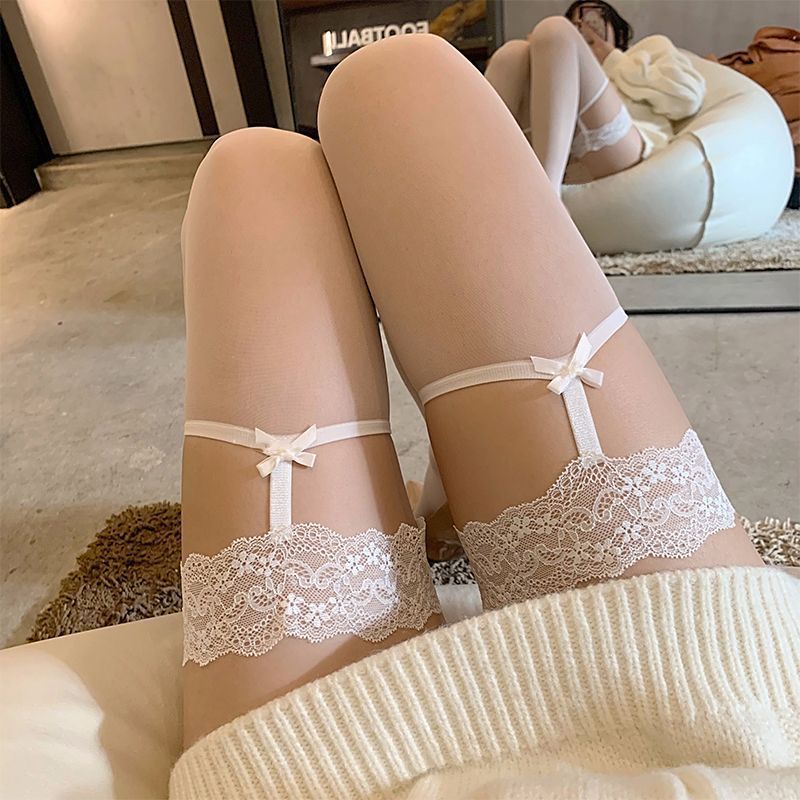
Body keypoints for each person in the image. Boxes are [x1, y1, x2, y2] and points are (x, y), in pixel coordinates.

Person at [170, 33, 799, 800]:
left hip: (319, 766)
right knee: (383, 93)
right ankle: (453, 484)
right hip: (712, 702)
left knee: (259, 171)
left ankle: (447, 485)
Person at [484, 1, 707, 188]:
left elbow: (686, 99)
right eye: (577, 24)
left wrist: (612, 59)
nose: (586, 26)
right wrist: (539, 59)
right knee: (512, 53)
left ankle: (547, 199)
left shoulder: (649, 48)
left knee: (553, 29)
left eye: (596, 19)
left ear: (618, 30)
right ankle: (478, 186)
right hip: (556, 147)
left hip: (626, 146)